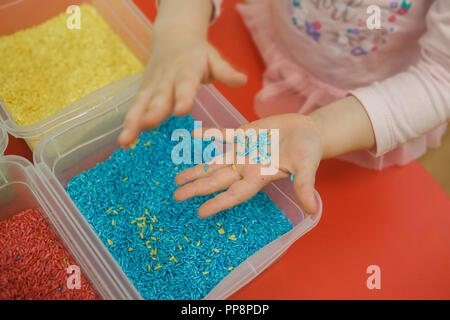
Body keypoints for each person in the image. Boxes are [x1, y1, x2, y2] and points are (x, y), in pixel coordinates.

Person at [117, 0, 450, 217]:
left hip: (370, 110)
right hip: (278, 44)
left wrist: (321, 129)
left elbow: (441, 76)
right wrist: (181, 27)